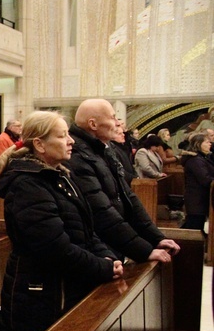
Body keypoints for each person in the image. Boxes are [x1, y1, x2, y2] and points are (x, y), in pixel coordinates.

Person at [0, 111, 122, 331]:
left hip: (64, 286)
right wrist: (102, 267)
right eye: (62, 136)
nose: (71, 140)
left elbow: (86, 228)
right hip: (42, 296)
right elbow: (54, 248)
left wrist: (107, 256)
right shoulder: (28, 184)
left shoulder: (60, 176)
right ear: (40, 145)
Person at [63, 98, 179, 263]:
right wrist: (143, 250)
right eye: (112, 117)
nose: (117, 123)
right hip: (99, 249)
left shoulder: (105, 149)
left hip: (113, 244)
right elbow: (101, 211)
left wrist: (156, 238)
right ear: (93, 124)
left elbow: (128, 197)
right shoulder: (77, 156)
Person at [180, 134, 214, 231]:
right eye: (207, 142)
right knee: (194, 228)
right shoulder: (195, 160)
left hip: (201, 200)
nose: (210, 144)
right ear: (198, 144)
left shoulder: (203, 158)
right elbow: (205, 179)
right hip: (197, 200)